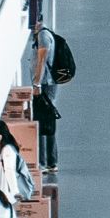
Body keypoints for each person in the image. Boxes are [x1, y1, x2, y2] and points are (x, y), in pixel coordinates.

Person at [27, 15, 61, 174]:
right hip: (46, 83)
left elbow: (42, 60)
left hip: (45, 85)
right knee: (45, 122)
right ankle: (48, 162)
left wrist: (37, 83)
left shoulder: (43, 36)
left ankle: (44, 162)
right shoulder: (42, 35)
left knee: (42, 122)